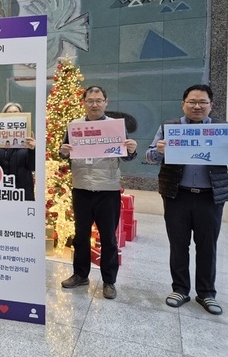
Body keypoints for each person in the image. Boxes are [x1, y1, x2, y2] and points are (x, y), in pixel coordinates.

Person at [146, 84, 226, 315]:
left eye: (202, 102)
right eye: (192, 102)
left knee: (207, 247)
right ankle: (180, 289)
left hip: (210, 197)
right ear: (183, 104)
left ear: (211, 105)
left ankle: (206, 293)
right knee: (178, 244)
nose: (197, 106)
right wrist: (159, 151)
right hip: (176, 195)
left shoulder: (222, 129)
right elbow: (149, 156)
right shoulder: (169, 127)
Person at [59, 86, 137, 300]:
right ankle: (80, 274)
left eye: (98, 100)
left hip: (108, 190)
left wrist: (131, 149)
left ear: (106, 102)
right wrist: (63, 152)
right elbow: (63, 152)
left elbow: (127, 156)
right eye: (90, 100)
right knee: (81, 236)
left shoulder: (114, 127)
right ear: (83, 102)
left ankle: (109, 281)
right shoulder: (74, 127)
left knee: (109, 239)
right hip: (81, 188)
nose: (94, 104)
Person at [0, 102, 36, 200]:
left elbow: (32, 167)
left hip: (23, 189)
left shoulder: (29, 138)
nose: (13, 114)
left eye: (16, 112)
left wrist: (32, 150)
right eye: (9, 112)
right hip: (0, 187)